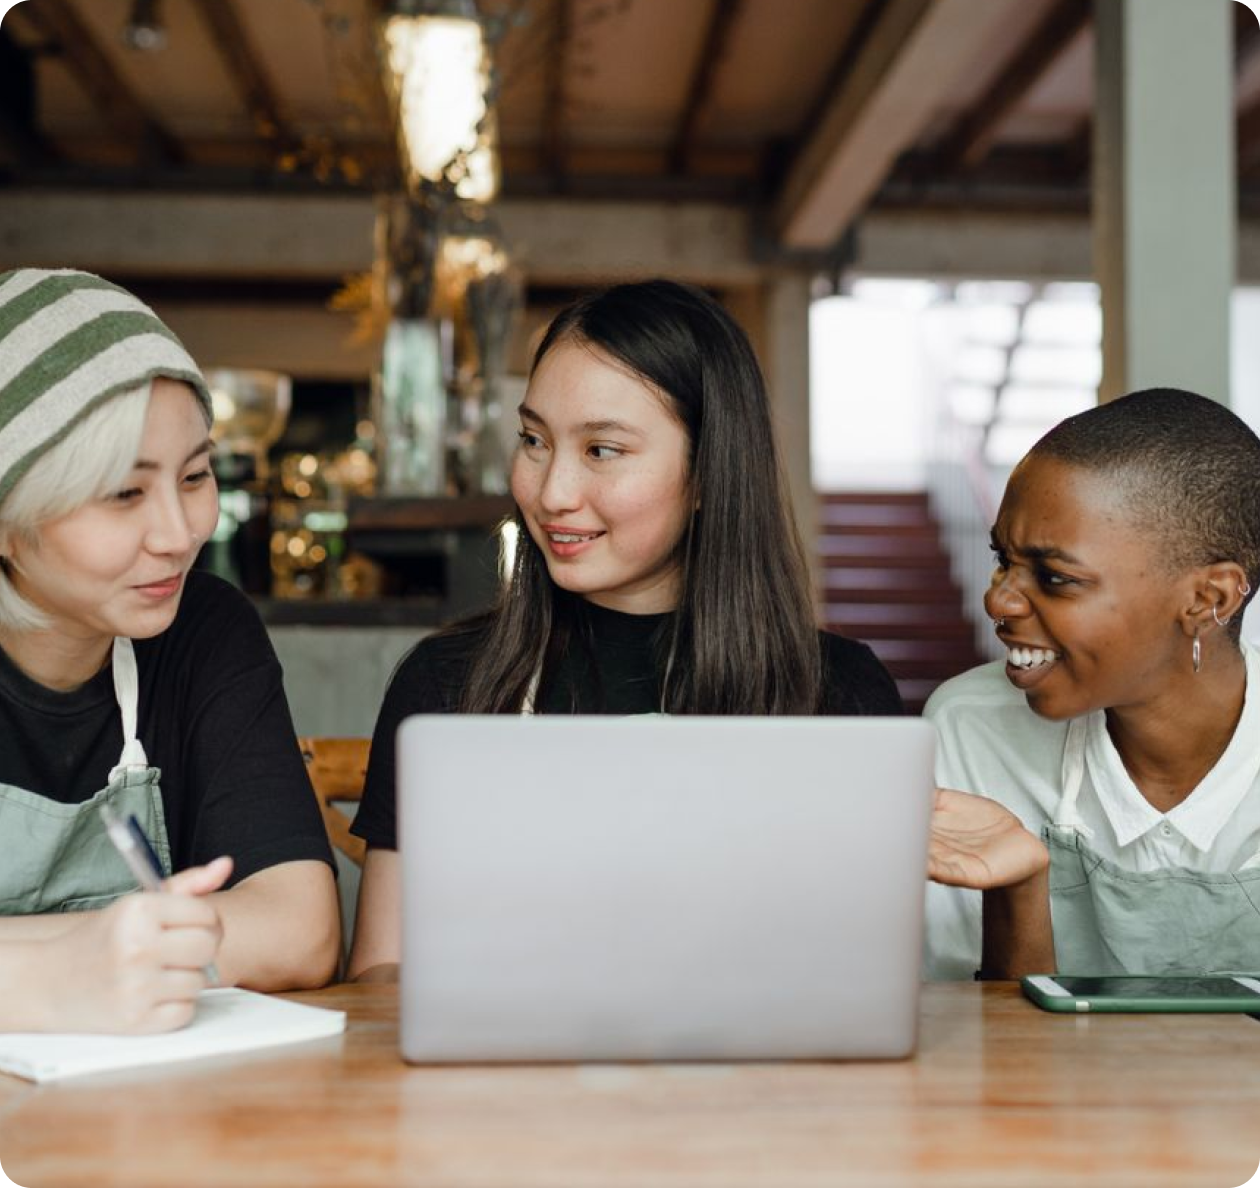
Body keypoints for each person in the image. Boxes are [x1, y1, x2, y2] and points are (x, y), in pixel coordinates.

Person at [348, 279, 902, 980]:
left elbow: (859, 977)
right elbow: (380, 970)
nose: (551, 493)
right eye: (533, 440)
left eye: (602, 450)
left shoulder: (837, 694)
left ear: (707, 474)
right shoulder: (449, 681)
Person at [0, 268, 340, 1033]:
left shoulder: (204, 631)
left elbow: (301, 930)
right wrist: (48, 978)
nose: (180, 533)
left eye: (195, 476)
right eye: (125, 493)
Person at [924, 388, 1260, 979]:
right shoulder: (970, 727)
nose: (997, 599)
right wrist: (1019, 892)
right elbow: (974, 1037)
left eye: (1055, 577)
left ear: (1209, 599)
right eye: (1002, 559)